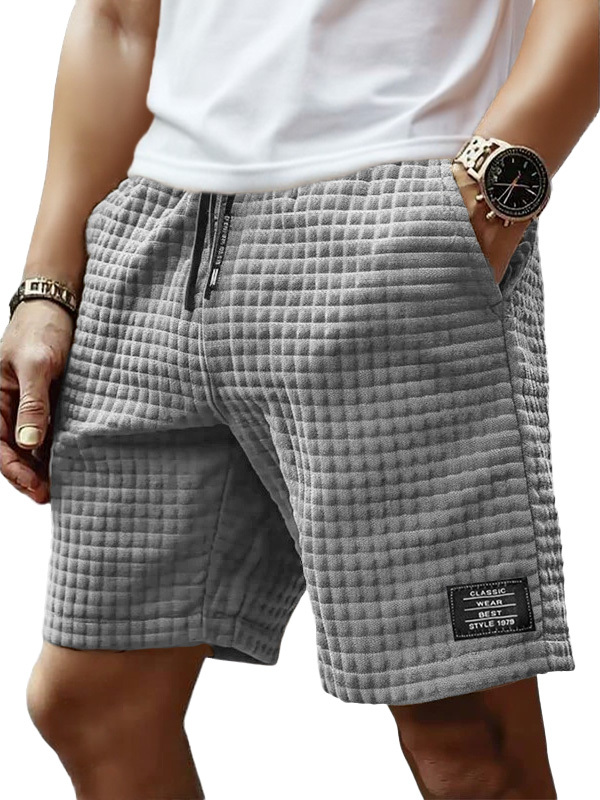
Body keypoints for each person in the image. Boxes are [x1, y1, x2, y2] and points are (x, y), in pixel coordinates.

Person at [1, 0, 597, 797]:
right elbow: (117, 18)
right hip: (151, 236)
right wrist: (47, 288)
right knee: (94, 702)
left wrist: (483, 198)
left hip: (387, 220)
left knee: (466, 738)